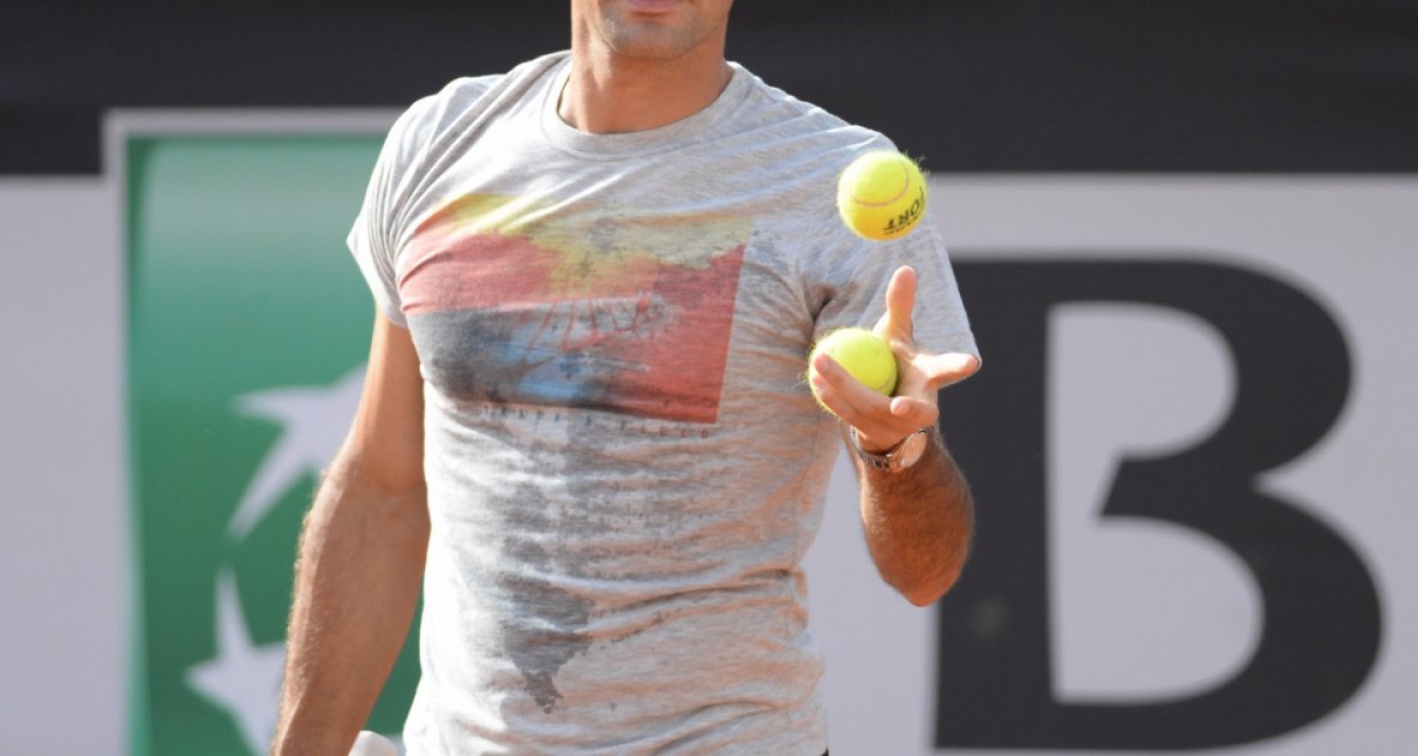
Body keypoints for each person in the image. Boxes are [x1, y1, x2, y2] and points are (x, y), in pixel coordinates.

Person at [272, 0, 981, 753]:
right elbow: (383, 487)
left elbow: (924, 574)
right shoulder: (438, 143)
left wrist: (896, 452)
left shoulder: (828, 179)